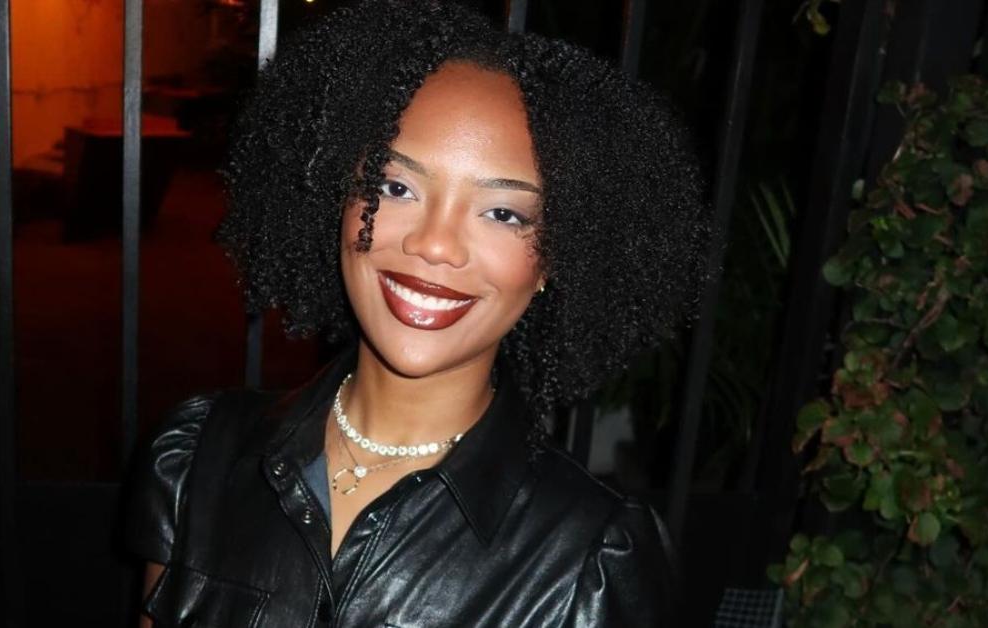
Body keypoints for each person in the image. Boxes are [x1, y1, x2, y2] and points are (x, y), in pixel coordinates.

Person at [124, 0, 716, 625]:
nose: (433, 244)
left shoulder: (591, 557)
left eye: (503, 213)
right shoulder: (197, 458)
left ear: (553, 260)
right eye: (395, 187)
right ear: (338, 197)